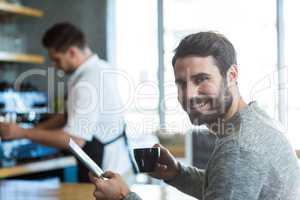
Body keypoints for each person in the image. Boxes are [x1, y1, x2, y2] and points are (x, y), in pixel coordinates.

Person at [88, 31, 300, 199]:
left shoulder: (238, 149)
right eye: (181, 83)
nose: (188, 94)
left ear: (232, 75)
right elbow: (225, 187)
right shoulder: (254, 119)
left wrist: (124, 197)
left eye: (202, 79)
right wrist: (177, 173)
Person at [0, 22, 136, 182]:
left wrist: (22, 133)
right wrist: (26, 131)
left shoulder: (88, 82)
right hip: (117, 167)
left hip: (109, 173)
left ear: (72, 52)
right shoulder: (99, 68)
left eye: (57, 60)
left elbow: (75, 140)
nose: (55, 66)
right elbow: (66, 115)